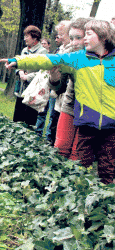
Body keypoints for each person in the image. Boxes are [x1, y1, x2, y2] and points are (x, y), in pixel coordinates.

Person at [0, 19, 115, 184]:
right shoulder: (79, 58)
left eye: (88, 35)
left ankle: (103, 201)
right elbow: (49, 60)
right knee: (81, 164)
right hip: (87, 124)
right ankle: (73, 192)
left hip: (112, 127)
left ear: (103, 38)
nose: (83, 40)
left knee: (107, 168)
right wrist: (19, 61)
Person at [52, 17, 93, 160]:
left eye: (78, 38)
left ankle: (74, 181)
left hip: (91, 109)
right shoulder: (68, 54)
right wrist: (54, 76)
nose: (74, 43)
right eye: (71, 38)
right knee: (60, 147)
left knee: (77, 153)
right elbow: (59, 87)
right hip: (70, 104)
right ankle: (54, 180)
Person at [12, 25, 48, 127]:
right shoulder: (24, 50)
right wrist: (21, 72)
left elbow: (43, 72)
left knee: (29, 120)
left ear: (35, 37)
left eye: (27, 36)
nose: (25, 39)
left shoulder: (42, 52)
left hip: (33, 91)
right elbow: (20, 64)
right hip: (21, 89)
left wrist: (28, 76)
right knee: (17, 118)